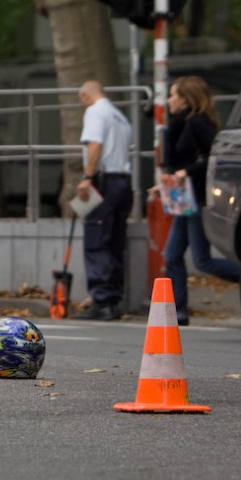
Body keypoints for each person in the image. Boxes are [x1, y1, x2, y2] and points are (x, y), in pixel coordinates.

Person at [158, 75, 240, 326]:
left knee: (202, 260)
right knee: (172, 255)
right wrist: (170, 178)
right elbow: (178, 161)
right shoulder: (181, 123)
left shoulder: (197, 122)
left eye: (173, 94)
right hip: (185, 200)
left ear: (185, 99)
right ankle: (178, 312)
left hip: (198, 200)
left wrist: (186, 172)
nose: (169, 99)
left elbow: (214, 157)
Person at [74, 80, 134, 321]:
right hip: (123, 181)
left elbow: (95, 144)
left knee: (97, 238)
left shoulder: (95, 111)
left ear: (86, 95)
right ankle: (114, 299)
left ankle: (102, 300)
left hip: (105, 181)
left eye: (82, 100)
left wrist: (87, 177)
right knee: (115, 241)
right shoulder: (119, 116)